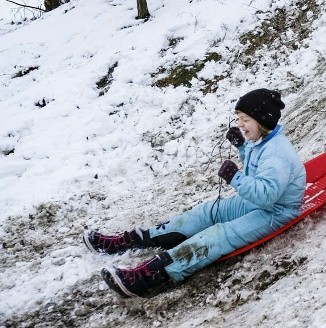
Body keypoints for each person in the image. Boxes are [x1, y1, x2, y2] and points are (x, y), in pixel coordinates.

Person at [84, 88, 306, 298]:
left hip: (276, 211)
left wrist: (235, 178)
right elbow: (256, 169)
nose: (240, 125)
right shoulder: (262, 141)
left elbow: (267, 194)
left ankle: (149, 275)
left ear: (262, 121)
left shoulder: (277, 155)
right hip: (258, 203)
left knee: (219, 234)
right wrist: (242, 147)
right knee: (206, 213)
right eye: (239, 119)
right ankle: (132, 240)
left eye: (245, 120)